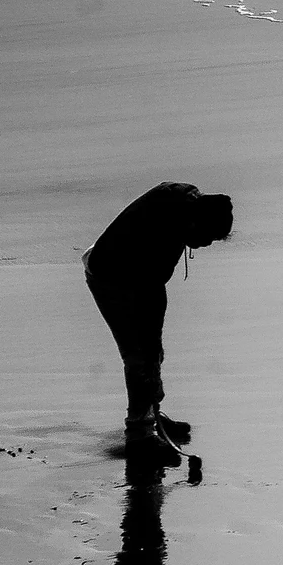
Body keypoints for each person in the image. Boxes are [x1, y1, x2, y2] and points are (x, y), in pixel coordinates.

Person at [85, 182, 233, 478]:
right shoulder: (164, 232)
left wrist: (157, 351)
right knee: (139, 356)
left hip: (132, 271)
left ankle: (151, 415)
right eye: (207, 238)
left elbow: (155, 290)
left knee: (151, 353)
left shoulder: (185, 207)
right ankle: (139, 436)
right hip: (109, 273)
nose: (205, 245)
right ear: (194, 222)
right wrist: (153, 351)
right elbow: (151, 292)